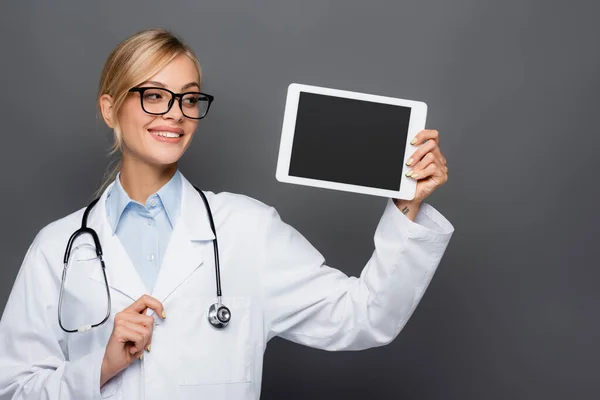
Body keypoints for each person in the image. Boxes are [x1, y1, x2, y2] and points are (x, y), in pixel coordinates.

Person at [0, 28, 454, 399]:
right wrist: (99, 368)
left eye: (189, 98)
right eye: (154, 96)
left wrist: (406, 205)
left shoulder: (248, 230)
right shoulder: (56, 247)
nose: (175, 114)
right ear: (110, 109)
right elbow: (14, 389)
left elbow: (364, 316)